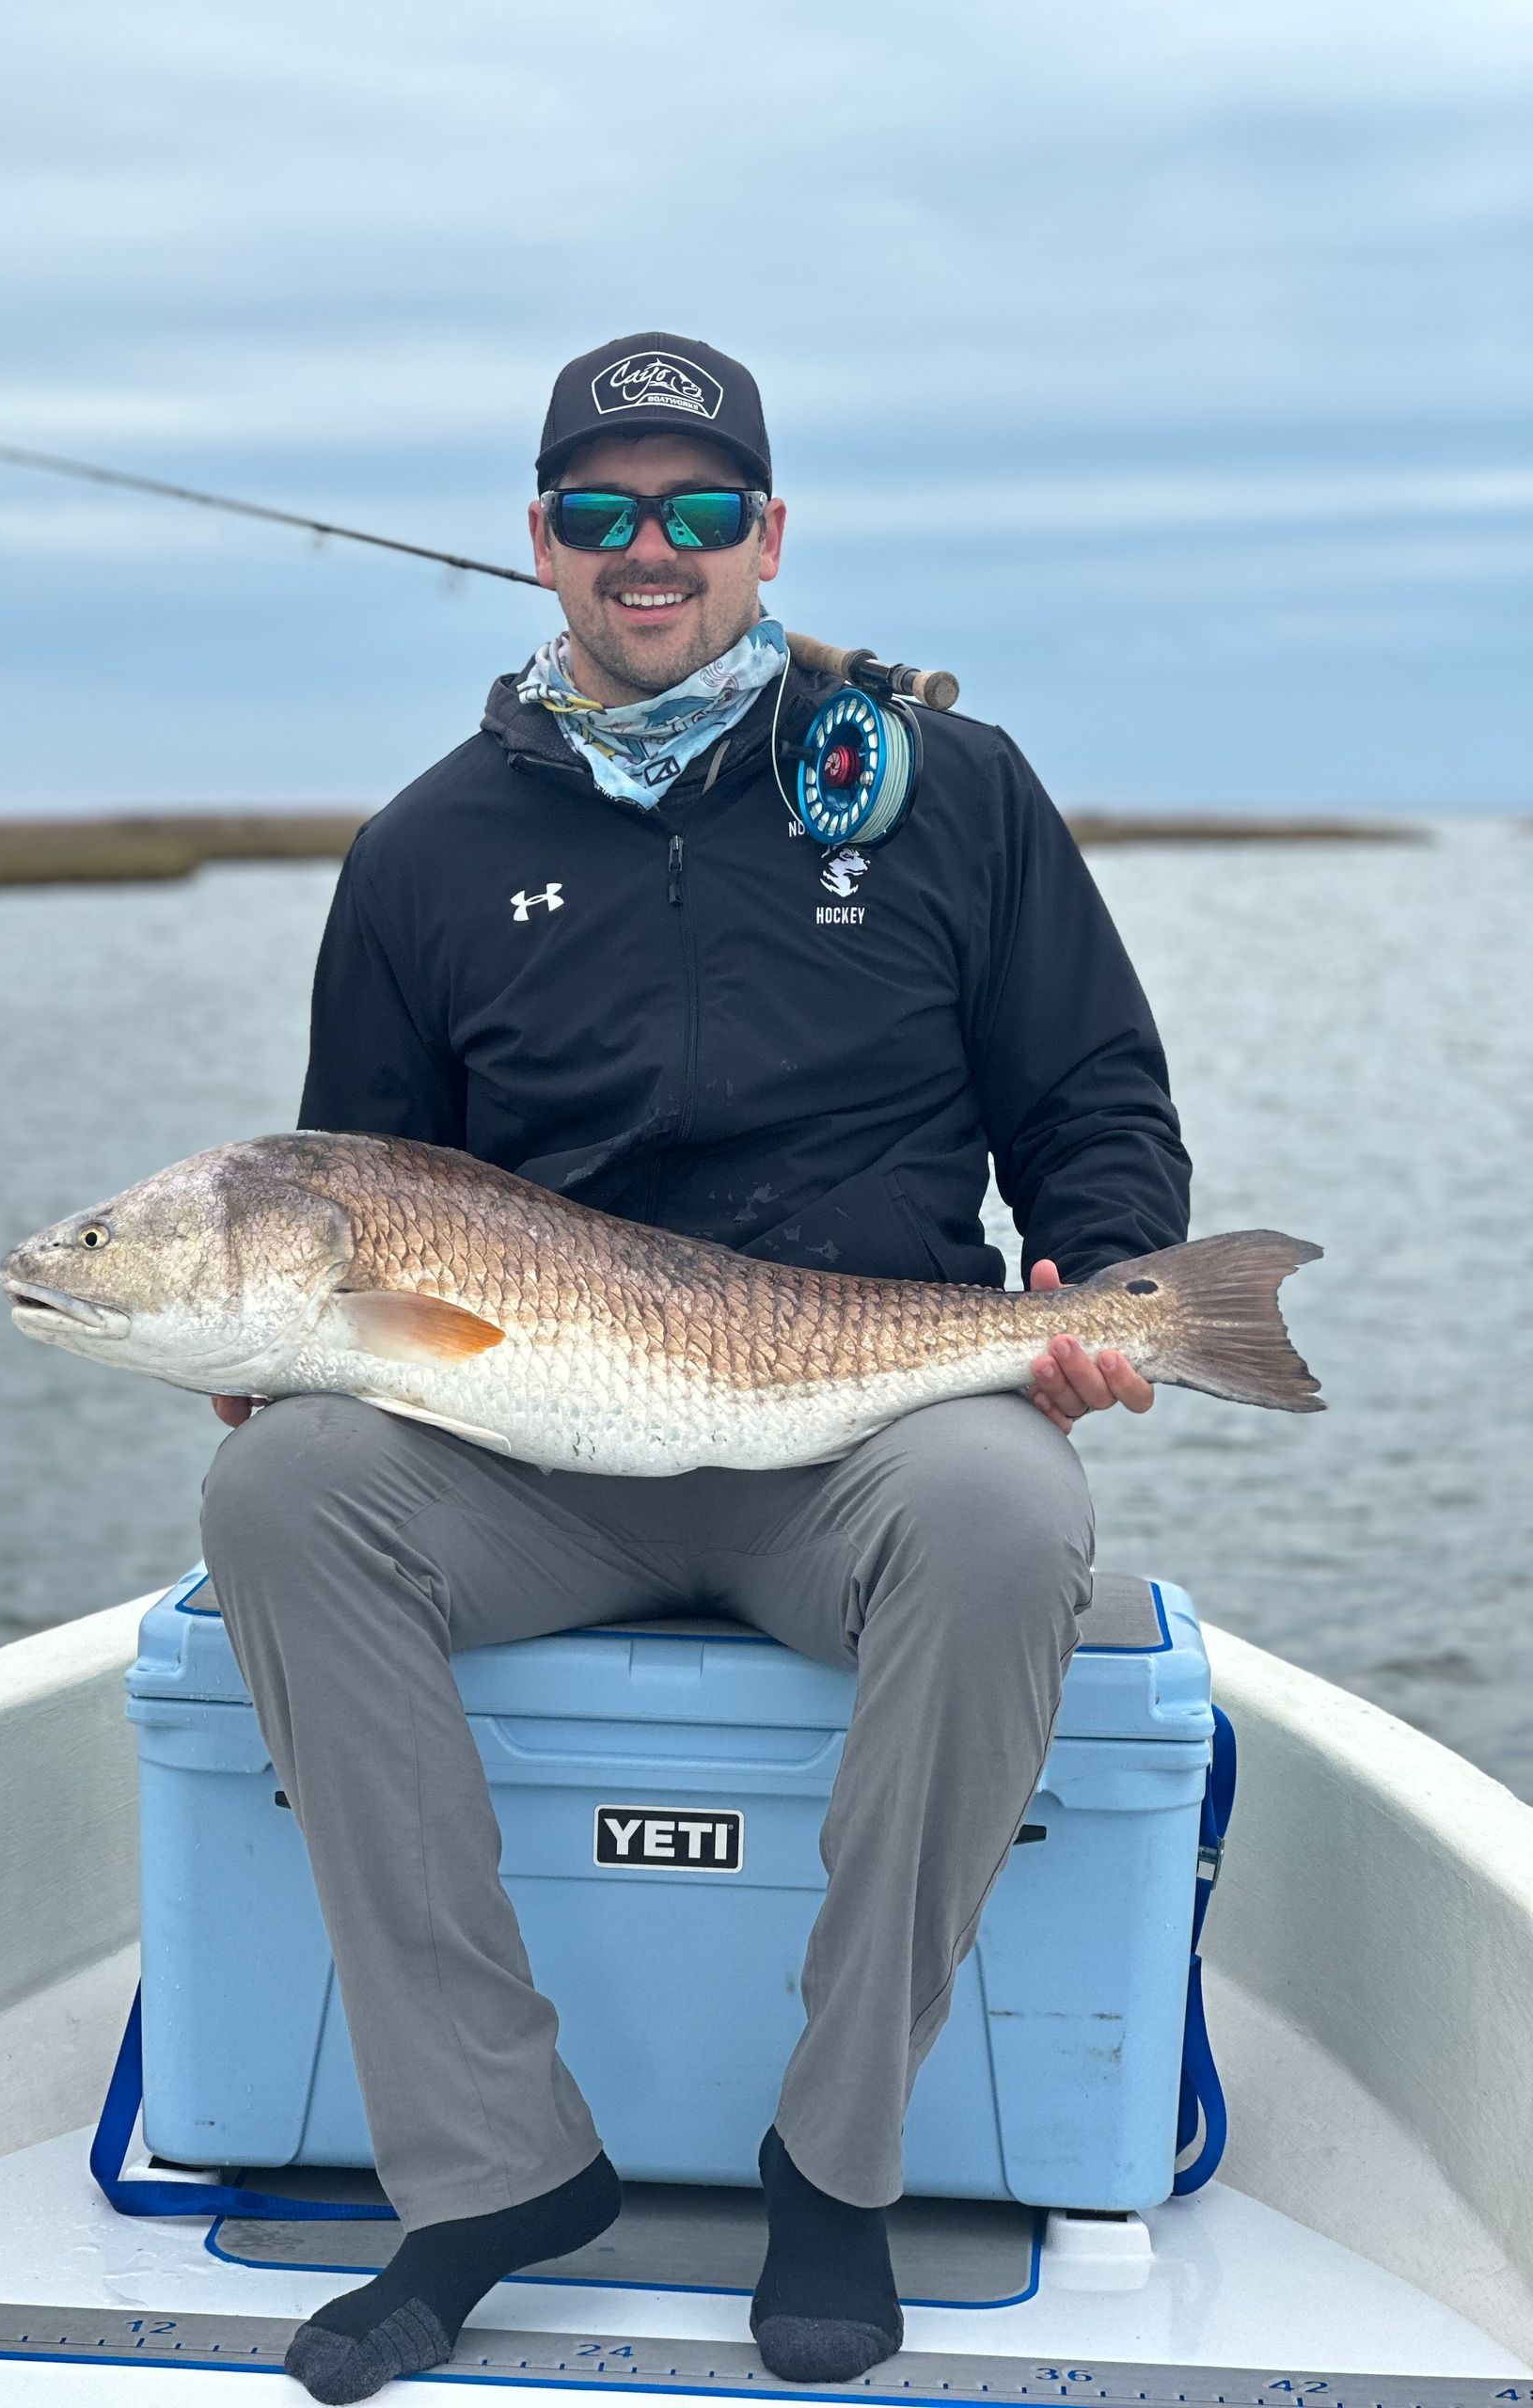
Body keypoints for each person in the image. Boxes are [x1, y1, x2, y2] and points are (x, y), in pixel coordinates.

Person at [201, 332, 1189, 2404]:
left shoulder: (950, 789)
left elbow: (1092, 1091)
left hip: (860, 1437)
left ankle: (835, 2163)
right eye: (601, 510)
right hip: (528, 1457)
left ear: (770, 535)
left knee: (1015, 1516)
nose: (651, 551)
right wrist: (286, 1346)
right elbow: (358, 1177)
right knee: (282, 1487)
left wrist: (1099, 1277)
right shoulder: (426, 852)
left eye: (699, 510)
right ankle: (490, 2171)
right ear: (541, 544)